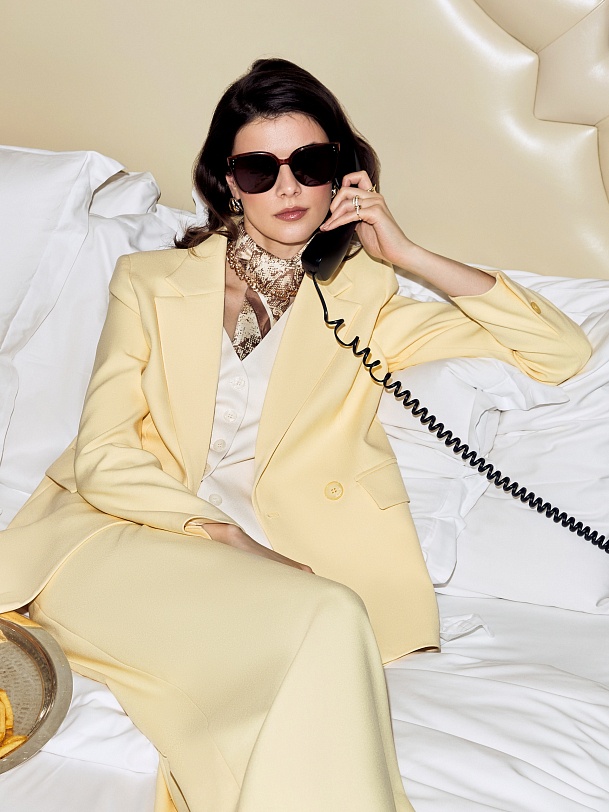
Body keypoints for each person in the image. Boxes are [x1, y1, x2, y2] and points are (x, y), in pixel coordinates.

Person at [0, 58, 591, 812]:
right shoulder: (148, 282)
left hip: (281, 573)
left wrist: (405, 253)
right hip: (123, 537)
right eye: (259, 168)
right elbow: (102, 453)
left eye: (309, 164)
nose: (286, 187)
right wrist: (222, 535)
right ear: (228, 183)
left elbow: (558, 351)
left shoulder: (365, 301)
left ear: (341, 177)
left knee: (323, 619)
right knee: (327, 613)